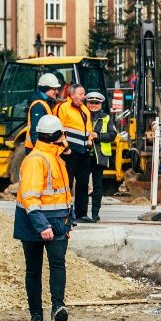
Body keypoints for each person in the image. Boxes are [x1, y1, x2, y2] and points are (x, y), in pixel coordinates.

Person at [13, 113, 73, 321]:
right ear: (56, 135)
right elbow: (30, 197)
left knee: (58, 265)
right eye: (62, 134)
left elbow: (63, 195)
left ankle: (58, 307)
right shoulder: (36, 161)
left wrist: (68, 221)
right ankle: (36, 315)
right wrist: (42, 225)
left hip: (56, 222)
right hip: (34, 223)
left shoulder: (56, 158)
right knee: (34, 268)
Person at [52, 83, 95, 221]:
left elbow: (89, 129)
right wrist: (66, 148)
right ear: (72, 94)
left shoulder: (85, 110)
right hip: (69, 152)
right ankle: (65, 213)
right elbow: (58, 130)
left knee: (83, 183)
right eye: (81, 94)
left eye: (84, 94)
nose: (84, 96)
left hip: (83, 152)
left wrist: (90, 143)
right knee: (67, 183)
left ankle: (81, 213)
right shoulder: (62, 108)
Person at [84, 90, 122, 223]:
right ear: (87, 103)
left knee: (97, 186)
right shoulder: (82, 115)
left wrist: (98, 136)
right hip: (84, 156)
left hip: (99, 157)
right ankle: (82, 213)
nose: (93, 105)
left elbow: (113, 135)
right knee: (82, 185)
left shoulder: (106, 118)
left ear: (101, 104)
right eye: (91, 102)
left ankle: (95, 214)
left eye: (96, 103)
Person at [26, 73, 63, 147]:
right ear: (45, 89)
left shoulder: (46, 101)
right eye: (54, 89)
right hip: (36, 149)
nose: (57, 92)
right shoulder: (38, 105)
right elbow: (35, 131)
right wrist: (39, 149)